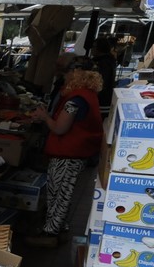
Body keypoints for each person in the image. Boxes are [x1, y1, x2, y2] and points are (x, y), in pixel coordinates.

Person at [26, 59, 103, 247]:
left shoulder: (75, 100)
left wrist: (45, 117)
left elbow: (60, 128)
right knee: (64, 193)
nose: (65, 77)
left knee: (59, 194)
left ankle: (50, 233)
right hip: (77, 153)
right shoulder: (89, 95)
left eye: (67, 73)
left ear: (76, 74)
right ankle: (61, 229)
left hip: (68, 154)